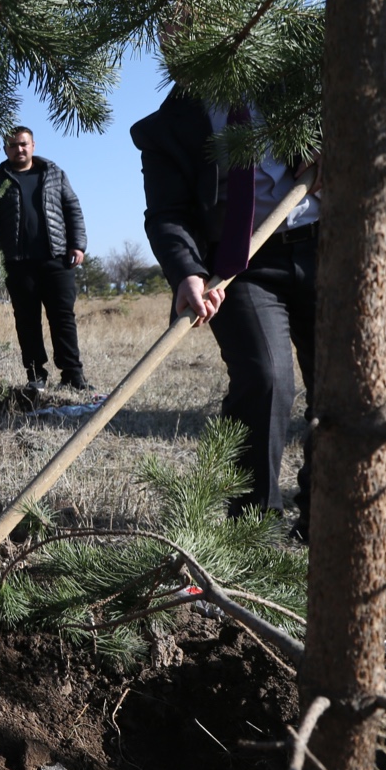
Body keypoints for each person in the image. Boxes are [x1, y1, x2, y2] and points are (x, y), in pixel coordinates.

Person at [134, 85, 318, 534]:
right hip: (239, 264)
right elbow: (166, 213)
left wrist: (335, 148)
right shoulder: (165, 128)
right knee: (266, 378)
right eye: (166, 32)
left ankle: (326, 512)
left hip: (325, 244)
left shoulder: (300, 81)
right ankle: (253, 529)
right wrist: (187, 272)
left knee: (341, 385)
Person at [0, 126, 90, 390]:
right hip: (17, 263)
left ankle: (73, 376)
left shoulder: (54, 174)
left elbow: (72, 209)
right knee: (26, 319)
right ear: (5, 149)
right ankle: (36, 376)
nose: (18, 149)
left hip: (56, 259)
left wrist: (77, 245)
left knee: (63, 317)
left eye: (23, 144)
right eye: (12, 145)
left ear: (33, 145)